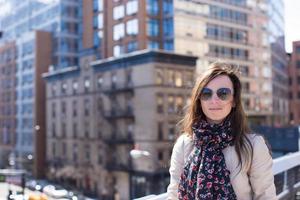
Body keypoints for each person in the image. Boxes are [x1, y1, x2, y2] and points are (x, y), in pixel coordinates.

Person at [167, 62, 277, 200]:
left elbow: (265, 197)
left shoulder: (254, 145)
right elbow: (173, 195)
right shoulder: (184, 144)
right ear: (199, 100)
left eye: (223, 93)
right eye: (206, 94)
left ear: (234, 101)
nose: (214, 100)